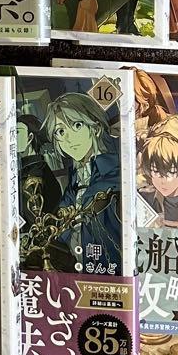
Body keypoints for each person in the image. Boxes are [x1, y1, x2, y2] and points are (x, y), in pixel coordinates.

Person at [43, 94, 122, 273]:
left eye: (77, 125)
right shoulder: (75, 178)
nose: (68, 138)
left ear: (96, 128)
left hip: (110, 274)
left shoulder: (116, 173)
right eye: (60, 131)